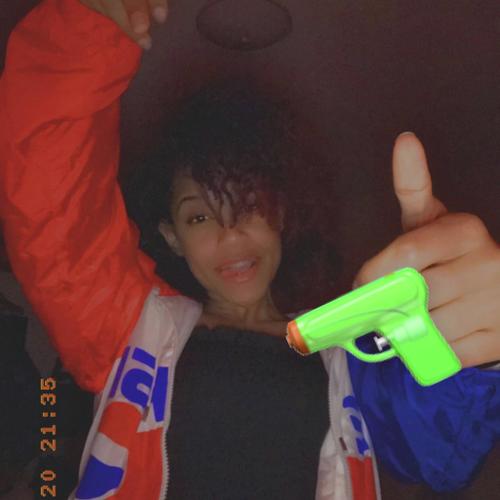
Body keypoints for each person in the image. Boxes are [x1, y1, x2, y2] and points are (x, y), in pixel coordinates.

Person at [0, 1, 499, 499]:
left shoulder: (352, 352)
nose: (231, 234)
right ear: (172, 236)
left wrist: (476, 356)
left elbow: (440, 453)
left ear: (280, 215)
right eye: (199, 217)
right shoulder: (131, 329)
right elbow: (51, 201)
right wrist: (80, 36)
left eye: (251, 205)